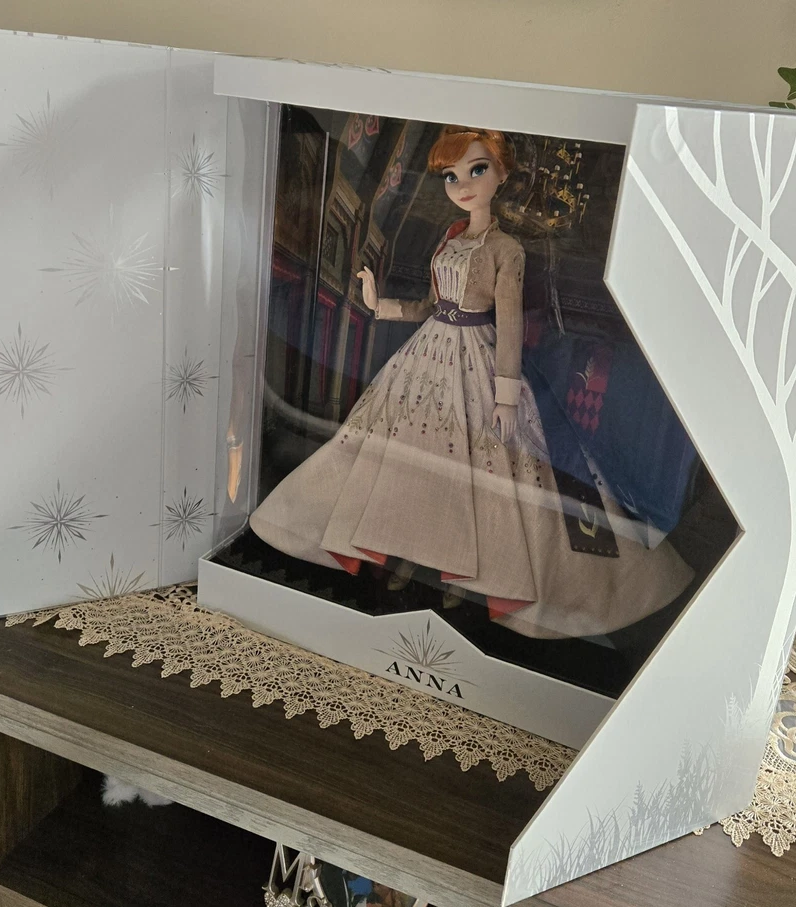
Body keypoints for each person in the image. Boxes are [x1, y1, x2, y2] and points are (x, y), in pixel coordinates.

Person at [250, 125, 692, 639]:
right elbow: (427, 306)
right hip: (425, 356)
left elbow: (510, 325)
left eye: (476, 170)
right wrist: (377, 303)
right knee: (409, 465)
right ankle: (402, 555)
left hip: (477, 358)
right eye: (451, 176)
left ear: (501, 174)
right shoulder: (449, 239)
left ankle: (472, 577)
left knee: (478, 473)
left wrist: (505, 395)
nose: (462, 185)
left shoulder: (506, 249)